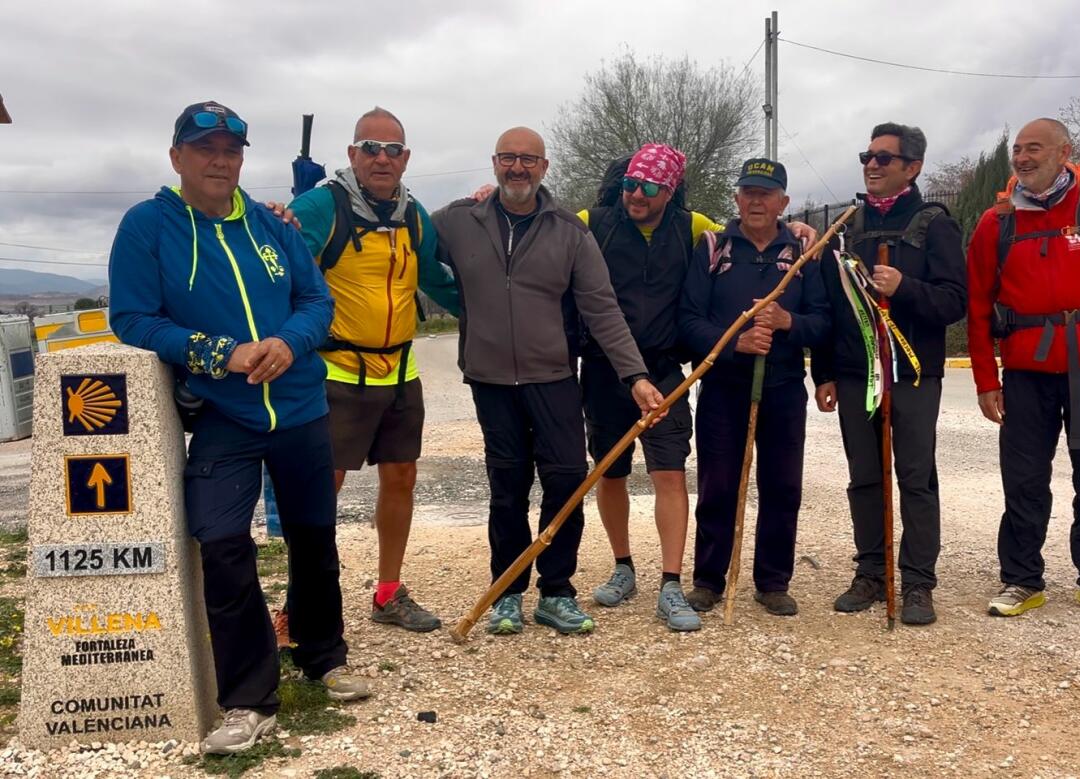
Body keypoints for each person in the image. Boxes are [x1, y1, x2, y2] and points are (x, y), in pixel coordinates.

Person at [109, 101, 369, 756]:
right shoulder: (146, 227)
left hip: (301, 407)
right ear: (177, 158)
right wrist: (216, 352)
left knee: (314, 540)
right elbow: (134, 319)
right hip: (224, 414)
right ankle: (250, 700)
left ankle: (323, 654)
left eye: (231, 150)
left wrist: (286, 341)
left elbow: (317, 301)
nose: (220, 160)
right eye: (205, 149)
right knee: (223, 545)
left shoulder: (270, 224)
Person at [574, 144, 817, 632]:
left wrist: (799, 230)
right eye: (629, 184)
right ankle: (624, 567)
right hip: (605, 370)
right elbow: (539, 222)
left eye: (648, 187)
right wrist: (491, 197)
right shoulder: (590, 220)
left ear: (669, 191)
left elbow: (750, 231)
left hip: (665, 371)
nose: (635, 195)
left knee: (669, 472)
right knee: (611, 471)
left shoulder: (694, 227)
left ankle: (670, 582)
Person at [431, 127, 661, 636]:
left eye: (528, 160)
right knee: (506, 487)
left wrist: (635, 376)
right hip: (490, 381)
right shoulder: (456, 220)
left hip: (554, 377)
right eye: (509, 158)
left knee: (567, 480)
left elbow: (602, 310)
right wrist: (461, 304)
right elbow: (409, 250)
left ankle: (556, 592)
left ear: (544, 167)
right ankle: (507, 592)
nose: (518, 168)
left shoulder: (569, 231)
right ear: (494, 163)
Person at [286, 107, 460, 633]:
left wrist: (495, 311)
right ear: (351, 155)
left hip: (399, 370)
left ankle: (388, 593)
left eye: (392, 150)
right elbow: (287, 277)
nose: (381, 158)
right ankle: (302, 606)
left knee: (402, 477)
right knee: (324, 489)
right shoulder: (320, 206)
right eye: (370, 147)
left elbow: (436, 277)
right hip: (336, 371)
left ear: (406, 158)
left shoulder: (413, 213)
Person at [966, 118, 1080, 619]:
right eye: (1017, 151)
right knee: (1022, 479)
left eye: (1034, 149)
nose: (1023, 158)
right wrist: (986, 381)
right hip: (1024, 375)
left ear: (1064, 152)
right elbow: (979, 308)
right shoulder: (995, 223)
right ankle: (1022, 580)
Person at [811, 123, 967, 625]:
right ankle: (872, 573)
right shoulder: (848, 226)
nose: (871, 165)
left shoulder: (934, 224)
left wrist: (904, 287)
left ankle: (918, 582)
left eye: (883, 158)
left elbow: (954, 302)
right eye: (867, 156)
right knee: (864, 476)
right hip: (858, 375)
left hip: (914, 374)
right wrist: (826, 374)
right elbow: (831, 306)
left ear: (912, 167)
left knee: (916, 477)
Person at [678, 158, 831, 617]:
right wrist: (735, 343)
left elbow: (825, 323)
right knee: (717, 485)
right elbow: (688, 321)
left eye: (766, 193)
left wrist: (788, 322)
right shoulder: (712, 248)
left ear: (784, 202)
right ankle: (708, 579)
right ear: (737, 198)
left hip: (783, 388)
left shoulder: (805, 254)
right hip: (724, 389)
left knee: (782, 486)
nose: (756, 201)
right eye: (748, 192)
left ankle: (772, 580)